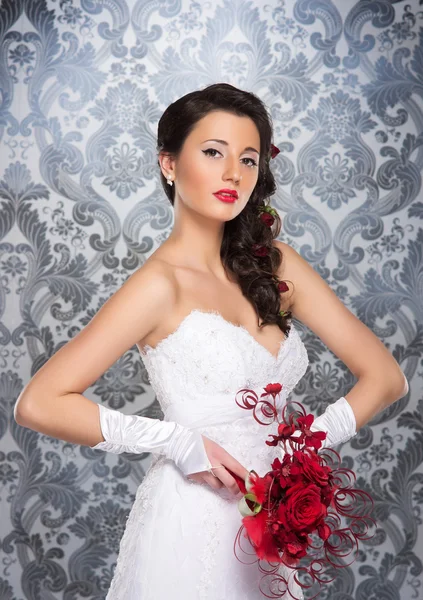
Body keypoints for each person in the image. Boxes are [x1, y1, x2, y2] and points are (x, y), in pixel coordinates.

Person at [14, 83, 408, 599]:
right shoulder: (158, 285)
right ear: (169, 164)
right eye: (213, 152)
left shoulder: (277, 266)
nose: (233, 174)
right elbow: (39, 403)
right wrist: (177, 442)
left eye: (248, 159)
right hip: (189, 516)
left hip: (266, 519)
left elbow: (386, 377)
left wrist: (304, 448)